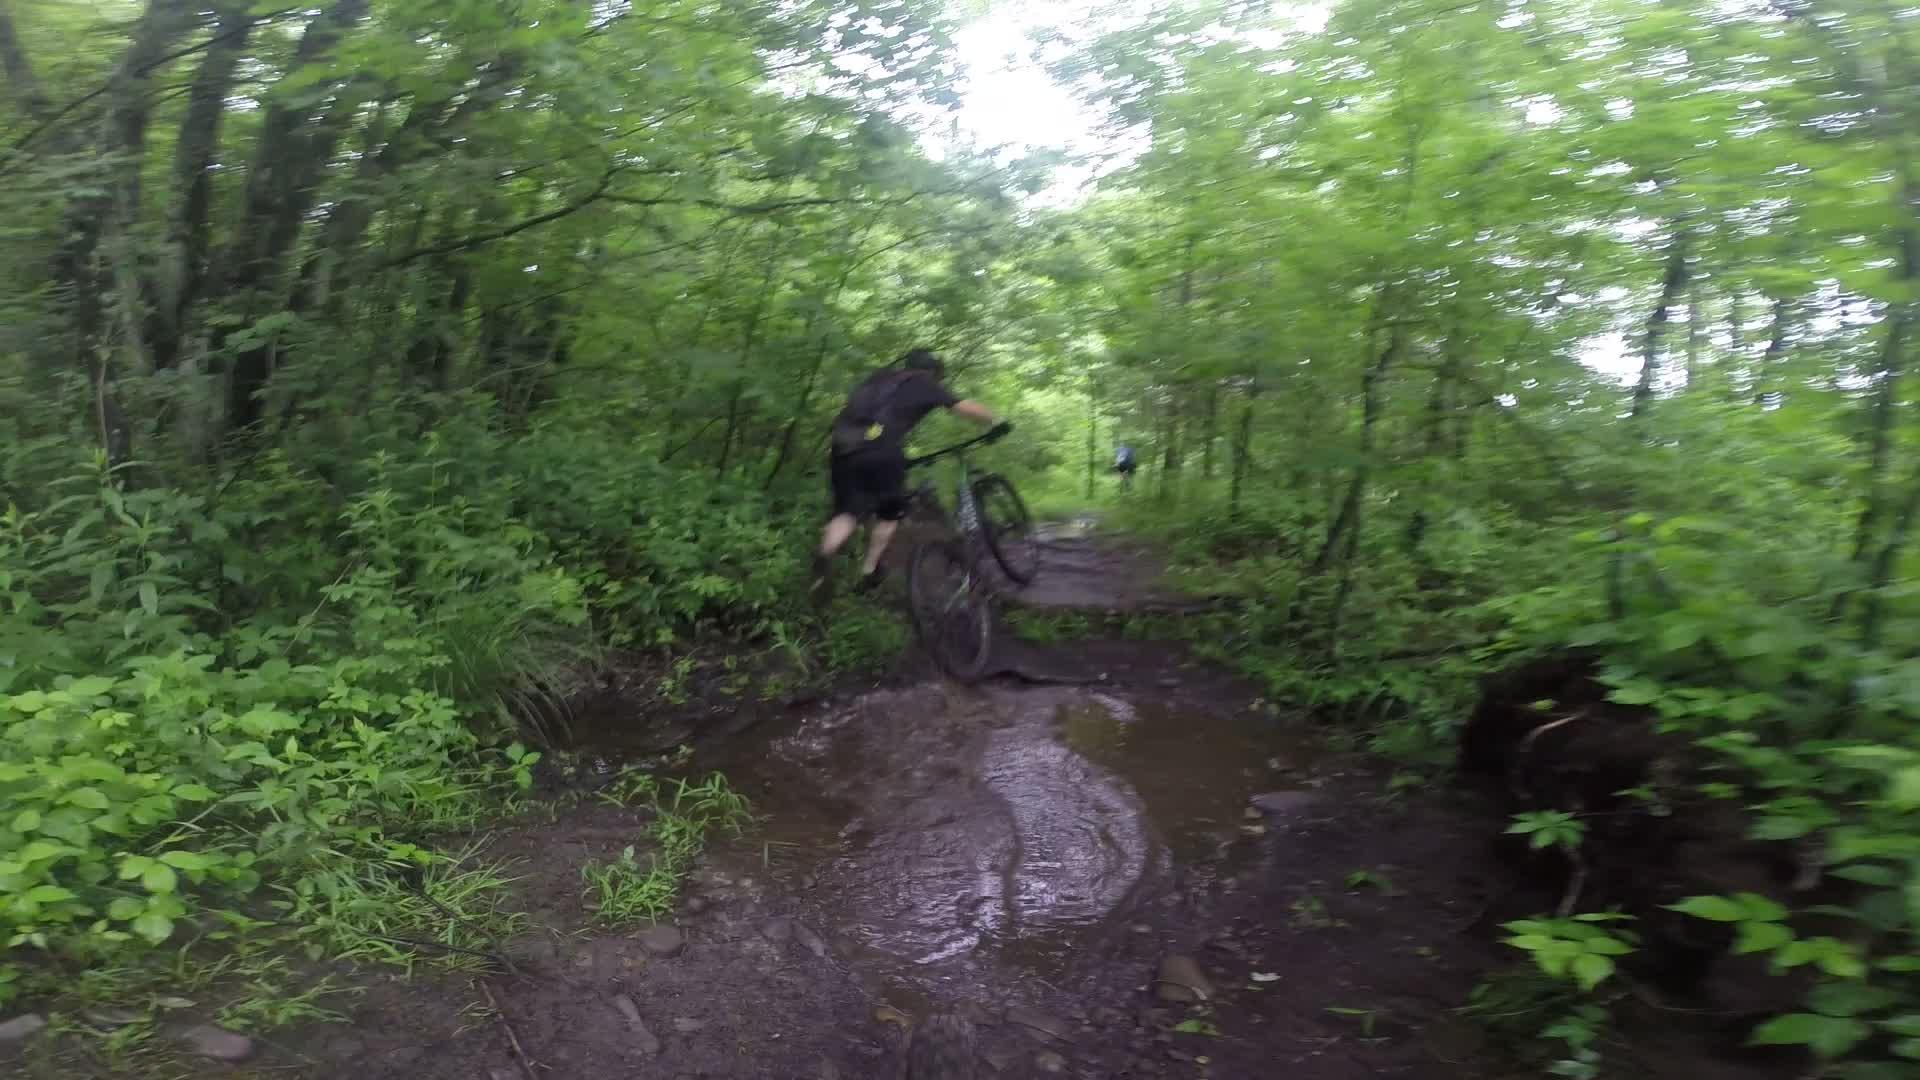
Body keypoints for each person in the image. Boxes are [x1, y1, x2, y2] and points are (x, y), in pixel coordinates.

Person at [811, 348, 1006, 602]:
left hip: (842, 448)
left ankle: (825, 552)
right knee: (889, 512)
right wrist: (996, 419)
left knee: (846, 512)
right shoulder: (925, 383)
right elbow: (962, 407)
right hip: (883, 449)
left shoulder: (879, 378)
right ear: (932, 370)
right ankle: (869, 571)